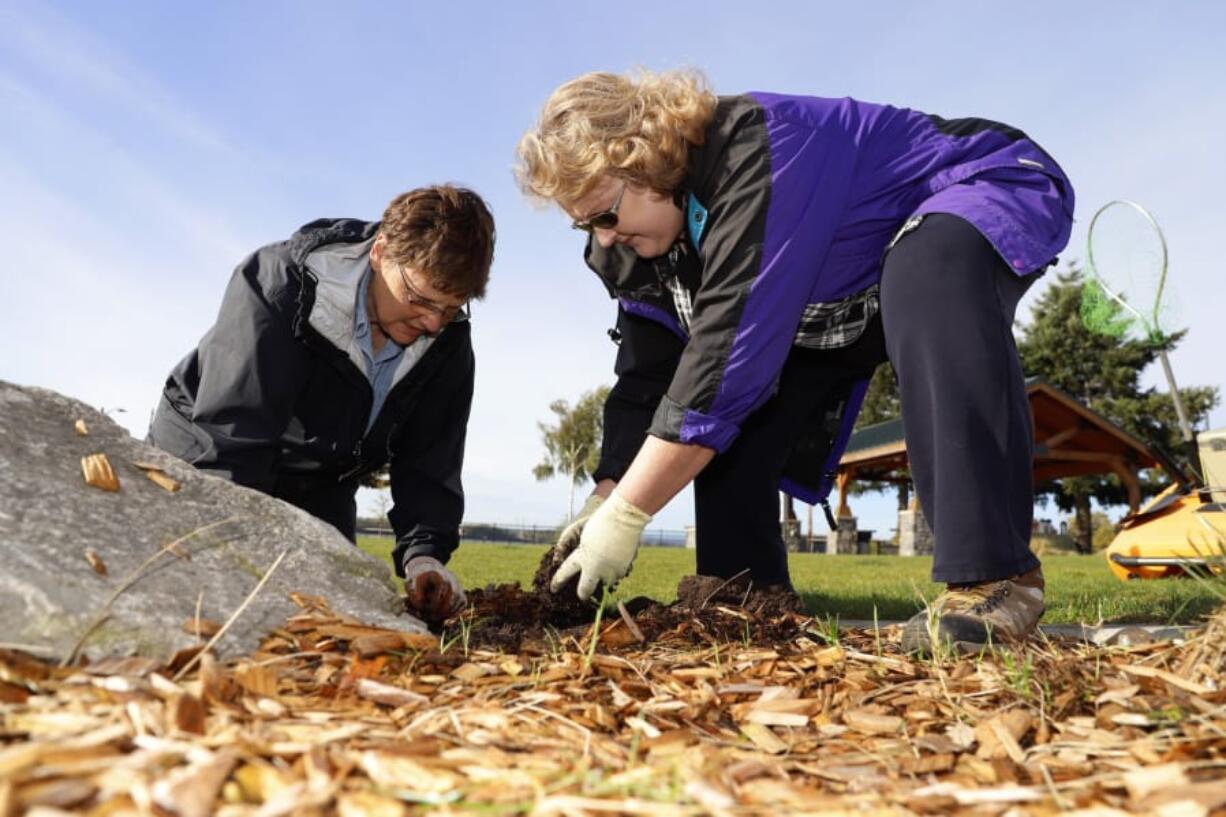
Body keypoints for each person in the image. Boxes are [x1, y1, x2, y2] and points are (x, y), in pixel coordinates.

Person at [516, 70, 1074, 652]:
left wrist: (631, 515)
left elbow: (727, 358)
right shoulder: (631, 251)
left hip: (975, 190)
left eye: (605, 215)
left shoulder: (758, 152)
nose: (602, 239)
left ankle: (995, 579)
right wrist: (607, 498)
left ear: (649, 160)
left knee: (919, 272)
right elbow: (650, 380)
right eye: (584, 225)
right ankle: (747, 601)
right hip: (841, 296)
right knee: (724, 423)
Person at [149, 185, 495, 623]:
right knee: (211, 604)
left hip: (320, 477)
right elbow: (234, 440)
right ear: (380, 252)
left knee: (328, 618)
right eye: (419, 299)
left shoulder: (448, 344)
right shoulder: (278, 285)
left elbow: (431, 461)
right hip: (208, 452)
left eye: (449, 309)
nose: (431, 323)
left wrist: (424, 556)